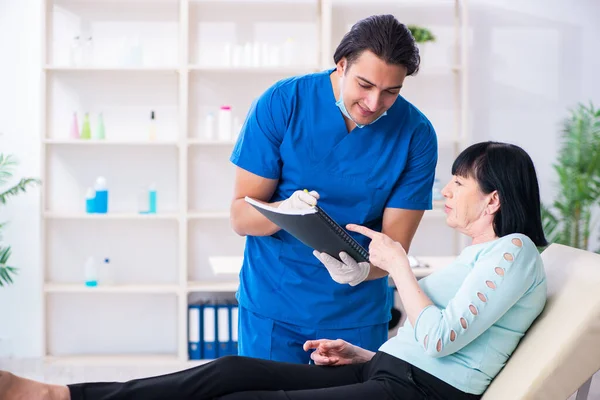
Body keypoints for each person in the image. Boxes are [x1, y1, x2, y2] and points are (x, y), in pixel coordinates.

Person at [1, 141, 549, 400]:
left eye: (459, 183)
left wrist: (399, 267)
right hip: (388, 372)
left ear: (494, 199)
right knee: (231, 371)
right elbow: (434, 336)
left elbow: (444, 338)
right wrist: (362, 353)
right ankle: (62, 396)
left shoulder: (515, 252)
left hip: (424, 393)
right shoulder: (479, 257)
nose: (446, 192)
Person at [229, 14, 438, 363]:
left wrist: (362, 271)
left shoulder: (416, 135)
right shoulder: (284, 103)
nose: (374, 104)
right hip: (274, 305)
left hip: (354, 316)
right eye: (364, 85)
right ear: (341, 65)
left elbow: (393, 250)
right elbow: (239, 217)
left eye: (391, 92)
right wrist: (284, 212)